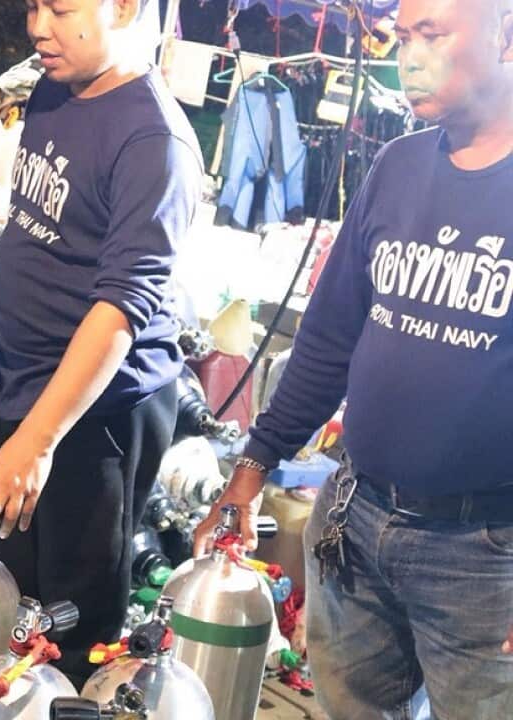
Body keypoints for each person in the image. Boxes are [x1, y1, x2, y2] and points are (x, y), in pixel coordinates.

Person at [192, 0, 513, 716]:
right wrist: (251, 467)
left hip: (485, 556)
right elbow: (329, 340)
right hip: (355, 524)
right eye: (402, 36)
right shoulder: (397, 166)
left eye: (434, 35)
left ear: (504, 36)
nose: (411, 56)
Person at [0, 0, 200, 687]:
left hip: (93, 417)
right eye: (33, 5)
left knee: (70, 617)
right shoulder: (55, 90)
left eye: (61, 8)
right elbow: (37, 220)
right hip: (23, 383)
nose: (37, 26)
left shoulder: (154, 141)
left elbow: (121, 308)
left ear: (123, 7)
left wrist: (37, 440)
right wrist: (10, 307)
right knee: (7, 587)